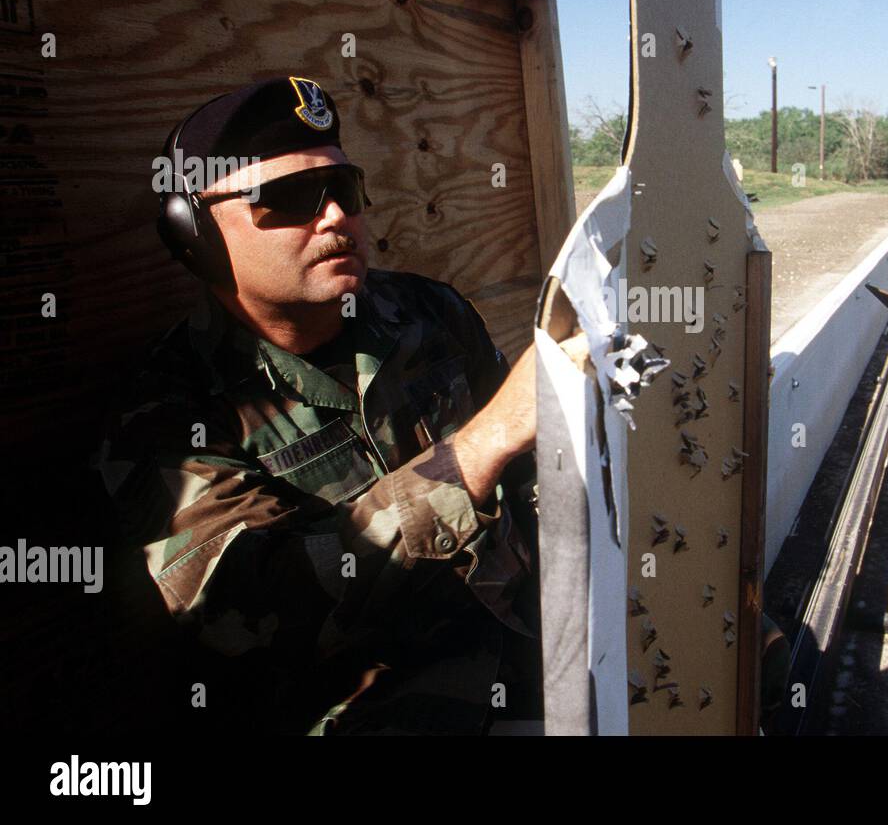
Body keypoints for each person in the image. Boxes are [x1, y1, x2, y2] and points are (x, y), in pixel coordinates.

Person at [96, 76, 580, 734]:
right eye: (288, 199)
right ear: (193, 235)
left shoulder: (427, 313)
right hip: (364, 706)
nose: (334, 217)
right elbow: (252, 612)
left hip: (513, 636)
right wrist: (475, 451)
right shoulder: (166, 415)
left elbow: (534, 482)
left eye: (343, 191)